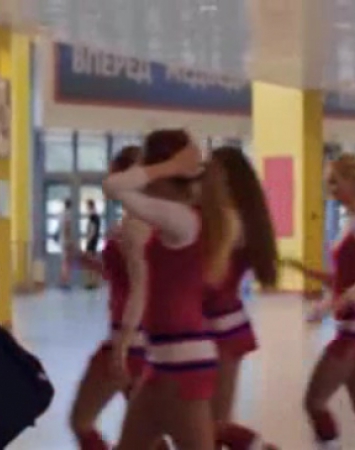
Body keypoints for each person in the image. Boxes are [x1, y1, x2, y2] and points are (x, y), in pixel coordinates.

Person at [103, 129, 235, 450]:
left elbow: (113, 186)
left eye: (146, 165)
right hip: (163, 362)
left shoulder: (181, 217)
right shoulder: (181, 217)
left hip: (182, 365)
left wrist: (169, 166)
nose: (144, 174)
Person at [282, 153, 355, 450]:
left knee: (314, 401)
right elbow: (342, 280)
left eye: (335, 182)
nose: (331, 190)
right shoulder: (351, 222)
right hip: (353, 326)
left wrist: (340, 303)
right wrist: (307, 273)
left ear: (354, 182)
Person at [69, 146, 149, 450]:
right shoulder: (138, 222)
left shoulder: (135, 226)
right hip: (141, 338)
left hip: (130, 339)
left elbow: (141, 286)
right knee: (145, 433)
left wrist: (122, 343)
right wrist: (90, 262)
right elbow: (124, 277)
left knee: (81, 420)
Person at [204, 147, 279, 450]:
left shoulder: (230, 222)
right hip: (215, 322)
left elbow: (210, 278)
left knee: (213, 424)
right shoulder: (231, 218)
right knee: (205, 423)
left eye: (212, 173)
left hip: (221, 324)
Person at [83, 199, 103, 289]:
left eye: (87, 206)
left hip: (92, 241)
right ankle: (94, 282)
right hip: (95, 240)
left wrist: (88, 241)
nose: (86, 208)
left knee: (89, 262)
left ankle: (91, 283)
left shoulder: (93, 216)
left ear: (90, 206)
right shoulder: (96, 216)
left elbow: (92, 230)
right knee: (92, 262)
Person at [59, 198, 76, 288]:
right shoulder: (68, 214)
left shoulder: (61, 214)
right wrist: (69, 240)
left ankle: (63, 282)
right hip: (66, 240)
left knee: (64, 262)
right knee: (67, 262)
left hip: (62, 240)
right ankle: (65, 282)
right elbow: (67, 227)